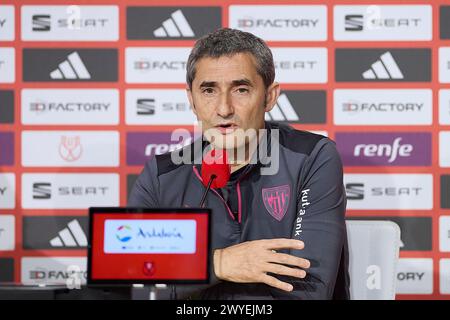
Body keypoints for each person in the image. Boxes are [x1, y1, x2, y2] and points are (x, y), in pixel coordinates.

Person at [128, 28, 350, 299]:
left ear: (269, 97)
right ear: (192, 100)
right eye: (209, 90)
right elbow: (133, 279)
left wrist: (188, 268)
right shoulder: (163, 174)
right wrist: (219, 263)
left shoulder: (312, 157)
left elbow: (308, 289)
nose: (224, 109)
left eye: (241, 90)